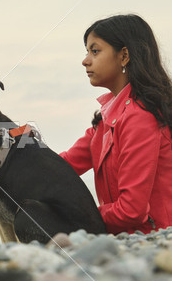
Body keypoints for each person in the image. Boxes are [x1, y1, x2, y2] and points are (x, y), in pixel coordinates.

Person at [60, 14, 172, 235]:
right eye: (87, 52)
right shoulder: (106, 121)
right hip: (126, 237)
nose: (85, 60)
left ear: (124, 56)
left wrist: (73, 218)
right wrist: (14, 142)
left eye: (95, 51)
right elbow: (62, 166)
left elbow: (131, 211)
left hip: (154, 239)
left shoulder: (140, 117)